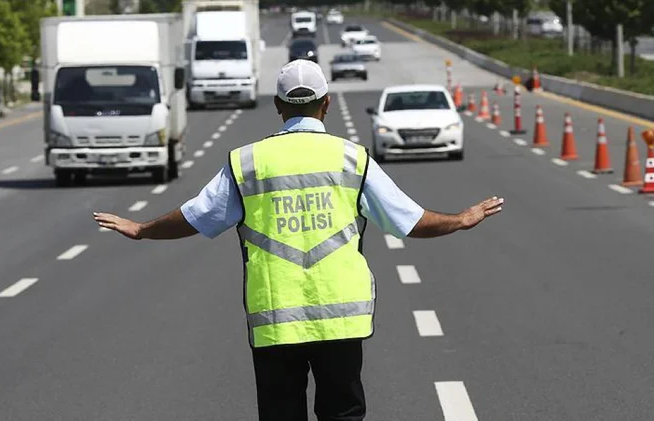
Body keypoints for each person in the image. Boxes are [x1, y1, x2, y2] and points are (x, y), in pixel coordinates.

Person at [93, 59, 504, 421]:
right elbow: (409, 221)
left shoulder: (248, 162)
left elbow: (197, 216)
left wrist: (142, 229)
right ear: (326, 105)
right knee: (342, 413)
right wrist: (461, 219)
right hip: (341, 319)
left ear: (278, 106)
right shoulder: (351, 158)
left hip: (275, 319)